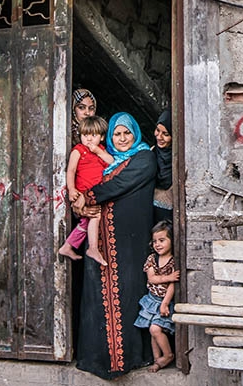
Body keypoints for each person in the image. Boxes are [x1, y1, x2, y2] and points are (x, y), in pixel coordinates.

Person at [74, 112, 160, 379]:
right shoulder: (105, 161)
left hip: (129, 242)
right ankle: (98, 358)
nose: (122, 139)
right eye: (116, 134)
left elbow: (118, 184)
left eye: (127, 133)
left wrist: (87, 196)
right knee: (97, 298)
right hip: (100, 240)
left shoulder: (144, 158)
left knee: (128, 292)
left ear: (135, 134)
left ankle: (131, 358)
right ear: (109, 138)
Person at [57, 115, 113, 266]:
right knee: (94, 217)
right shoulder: (79, 150)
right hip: (83, 193)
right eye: (85, 135)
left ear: (101, 137)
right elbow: (71, 171)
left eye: (93, 135)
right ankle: (93, 248)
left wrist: (100, 152)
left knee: (86, 221)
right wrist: (71, 189)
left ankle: (68, 246)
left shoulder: (102, 151)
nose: (88, 139)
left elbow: (113, 164)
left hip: (96, 194)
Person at [134, 220, 177, 373]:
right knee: (153, 332)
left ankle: (168, 355)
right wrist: (169, 277)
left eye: (162, 240)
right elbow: (152, 278)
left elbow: (173, 286)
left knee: (155, 329)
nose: (158, 244)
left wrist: (165, 304)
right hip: (151, 300)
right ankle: (157, 360)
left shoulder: (173, 261)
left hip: (163, 301)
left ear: (172, 240)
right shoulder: (152, 259)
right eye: (155, 241)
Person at [152, 110, 173, 224]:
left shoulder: (179, 160)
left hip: (171, 217)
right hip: (151, 214)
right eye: (157, 130)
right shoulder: (151, 153)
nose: (159, 137)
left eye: (165, 134)